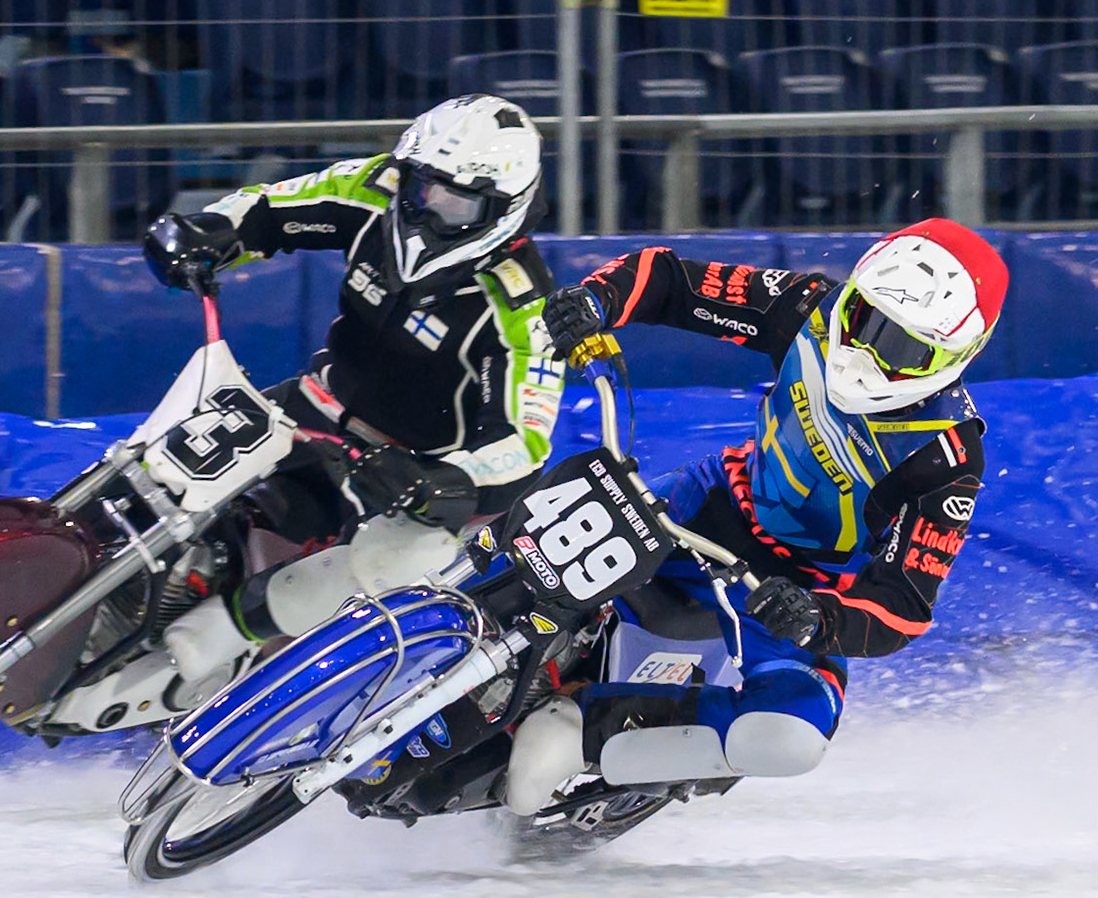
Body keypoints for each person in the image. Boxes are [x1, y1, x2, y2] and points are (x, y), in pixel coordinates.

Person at [502, 219, 1007, 811]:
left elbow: (904, 604)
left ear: (954, 356)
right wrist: (596, 299)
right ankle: (451, 595)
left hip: (791, 591)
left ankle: (589, 727)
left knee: (790, 737)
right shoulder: (811, 307)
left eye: (903, 346)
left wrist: (818, 620)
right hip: (708, 503)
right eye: (866, 319)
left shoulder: (948, 454)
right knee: (548, 520)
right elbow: (671, 281)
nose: (865, 353)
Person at [143, 94, 561, 686]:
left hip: (411, 473)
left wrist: (450, 480)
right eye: (422, 187)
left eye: (455, 200)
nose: (426, 210)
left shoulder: (523, 305)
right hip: (318, 404)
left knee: (369, 564)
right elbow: (270, 207)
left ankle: (234, 651)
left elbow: (525, 440)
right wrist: (209, 232)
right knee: (172, 461)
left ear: (502, 210)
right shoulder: (378, 187)